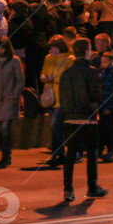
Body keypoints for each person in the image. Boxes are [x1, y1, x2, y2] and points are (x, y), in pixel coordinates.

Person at [60, 38, 108, 201]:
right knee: (92, 153)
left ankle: (68, 189)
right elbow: (96, 95)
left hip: (70, 118)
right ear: (87, 52)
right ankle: (92, 187)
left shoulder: (66, 73)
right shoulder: (92, 71)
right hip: (88, 117)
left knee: (70, 155)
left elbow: (63, 97)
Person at [0, 36, 24, 167]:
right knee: (0, 129)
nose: (1, 50)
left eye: (3, 47)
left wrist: (15, 95)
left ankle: (6, 156)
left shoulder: (15, 61)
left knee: (5, 128)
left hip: (9, 99)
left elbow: (19, 80)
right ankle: (5, 154)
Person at [41, 35, 74, 168]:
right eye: (51, 48)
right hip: (50, 97)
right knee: (55, 127)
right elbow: (43, 73)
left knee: (55, 125)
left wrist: (52, 79)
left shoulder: (69, 59)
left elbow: (67, 77)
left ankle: (59, 153)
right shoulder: (48, 58)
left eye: (55, 47)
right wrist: (44, 78)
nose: (53, 50)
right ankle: (59, 153)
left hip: (62, 97)